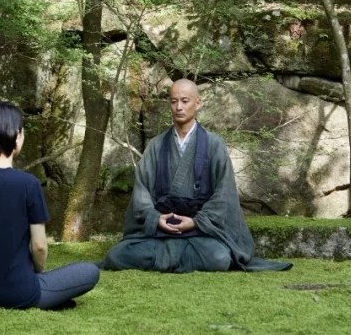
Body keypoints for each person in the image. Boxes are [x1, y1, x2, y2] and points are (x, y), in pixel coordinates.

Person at [102, 79, 291, 273]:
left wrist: (195, 222)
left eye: (185, 101)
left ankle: (164, 258)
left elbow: (223, 195)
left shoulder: (214, 144)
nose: (179, 107)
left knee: (219, 257)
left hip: (199, 232)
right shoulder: (156, 146)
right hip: (161, 230)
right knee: (116, 256)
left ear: (197, 103)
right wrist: (156, 219)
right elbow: (142, 193)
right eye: (174, 101)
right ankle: (179, 258)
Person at [0, 101, 100, 309]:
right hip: (20, 292)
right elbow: (39, 246)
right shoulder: (28, 184)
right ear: (17, 136)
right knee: (89, 271)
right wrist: (37, 274)